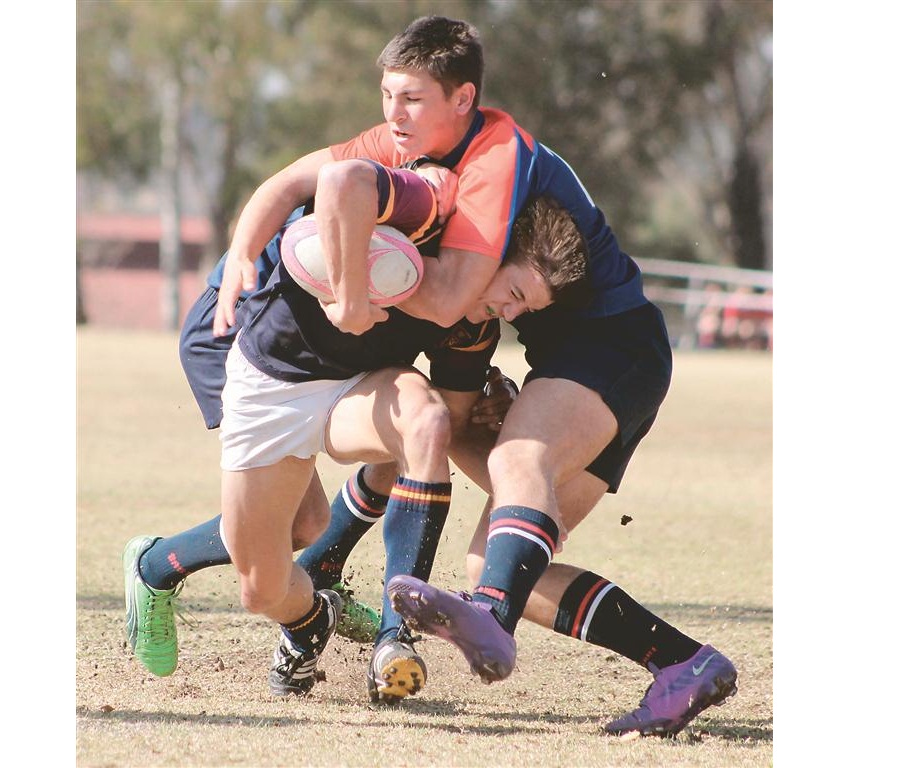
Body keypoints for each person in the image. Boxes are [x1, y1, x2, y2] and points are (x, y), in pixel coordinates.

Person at [214, 15, 738, 737]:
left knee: (520, 462)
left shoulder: (492, 154)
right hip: (592, 364)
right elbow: (301, 180)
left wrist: (355, 281)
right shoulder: (408, 144)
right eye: (387, 95)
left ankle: (487, 617)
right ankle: (683, 664)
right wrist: (246, 251)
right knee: (496, 559)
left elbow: (448, 298)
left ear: (461, 99)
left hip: (610, 344)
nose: (394, 113)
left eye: (411, 98)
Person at [124, 160, 589, 705]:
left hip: (349, 376)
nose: (508, 312)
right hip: (249, 342)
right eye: (513, 291)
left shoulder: (473, 324)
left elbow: (453, 425)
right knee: (291, 542)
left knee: (425, 424)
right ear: (487, 253)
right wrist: (338, 288)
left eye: (522, 308)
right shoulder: (415, 210)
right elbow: (316, 187)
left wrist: (520, 498)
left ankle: (396, 637)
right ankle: (172, 570)